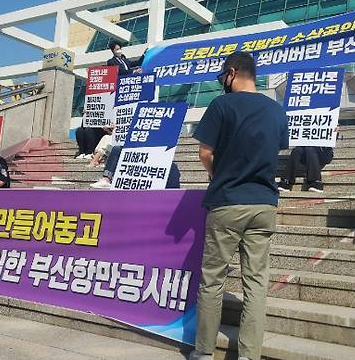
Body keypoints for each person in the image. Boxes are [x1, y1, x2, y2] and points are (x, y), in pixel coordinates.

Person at [189, 52, 289, 360]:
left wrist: (221, 175)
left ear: (232, 73)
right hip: (264, 204)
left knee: (212, 280)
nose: (223, 83)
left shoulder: (222, 105)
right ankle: (248, 355)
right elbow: (277, 151)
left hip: (228, 202)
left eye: (223, 78)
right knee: (256, 283)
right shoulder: (276, 110)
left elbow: (205, 153)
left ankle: (204, 352)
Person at [89, 145, 181, 189]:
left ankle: (173, 197)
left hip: (154, 151)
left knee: (172, 168)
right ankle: (106, 179)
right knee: (116, 149)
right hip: (135, 149)